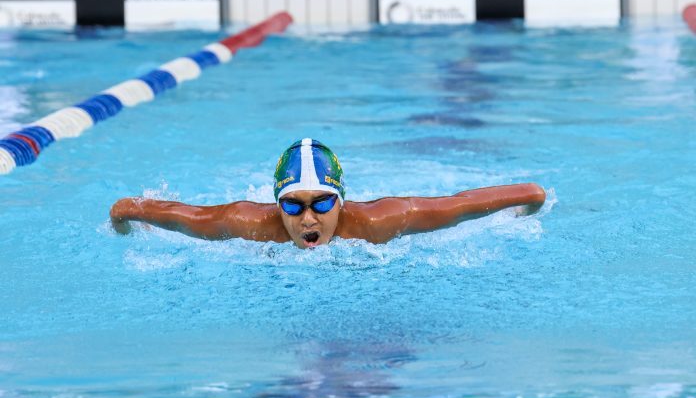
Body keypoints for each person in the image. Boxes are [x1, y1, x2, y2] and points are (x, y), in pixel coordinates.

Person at [110, 138, 546, 249]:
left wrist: (530, 199)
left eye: (321, 203)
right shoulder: (247, 223)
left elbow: (457, 206)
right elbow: (170, 213)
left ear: (340, 201)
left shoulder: (378, 222)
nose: (308, 220)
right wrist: (124, 219)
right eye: (293, 206)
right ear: (275, 204)